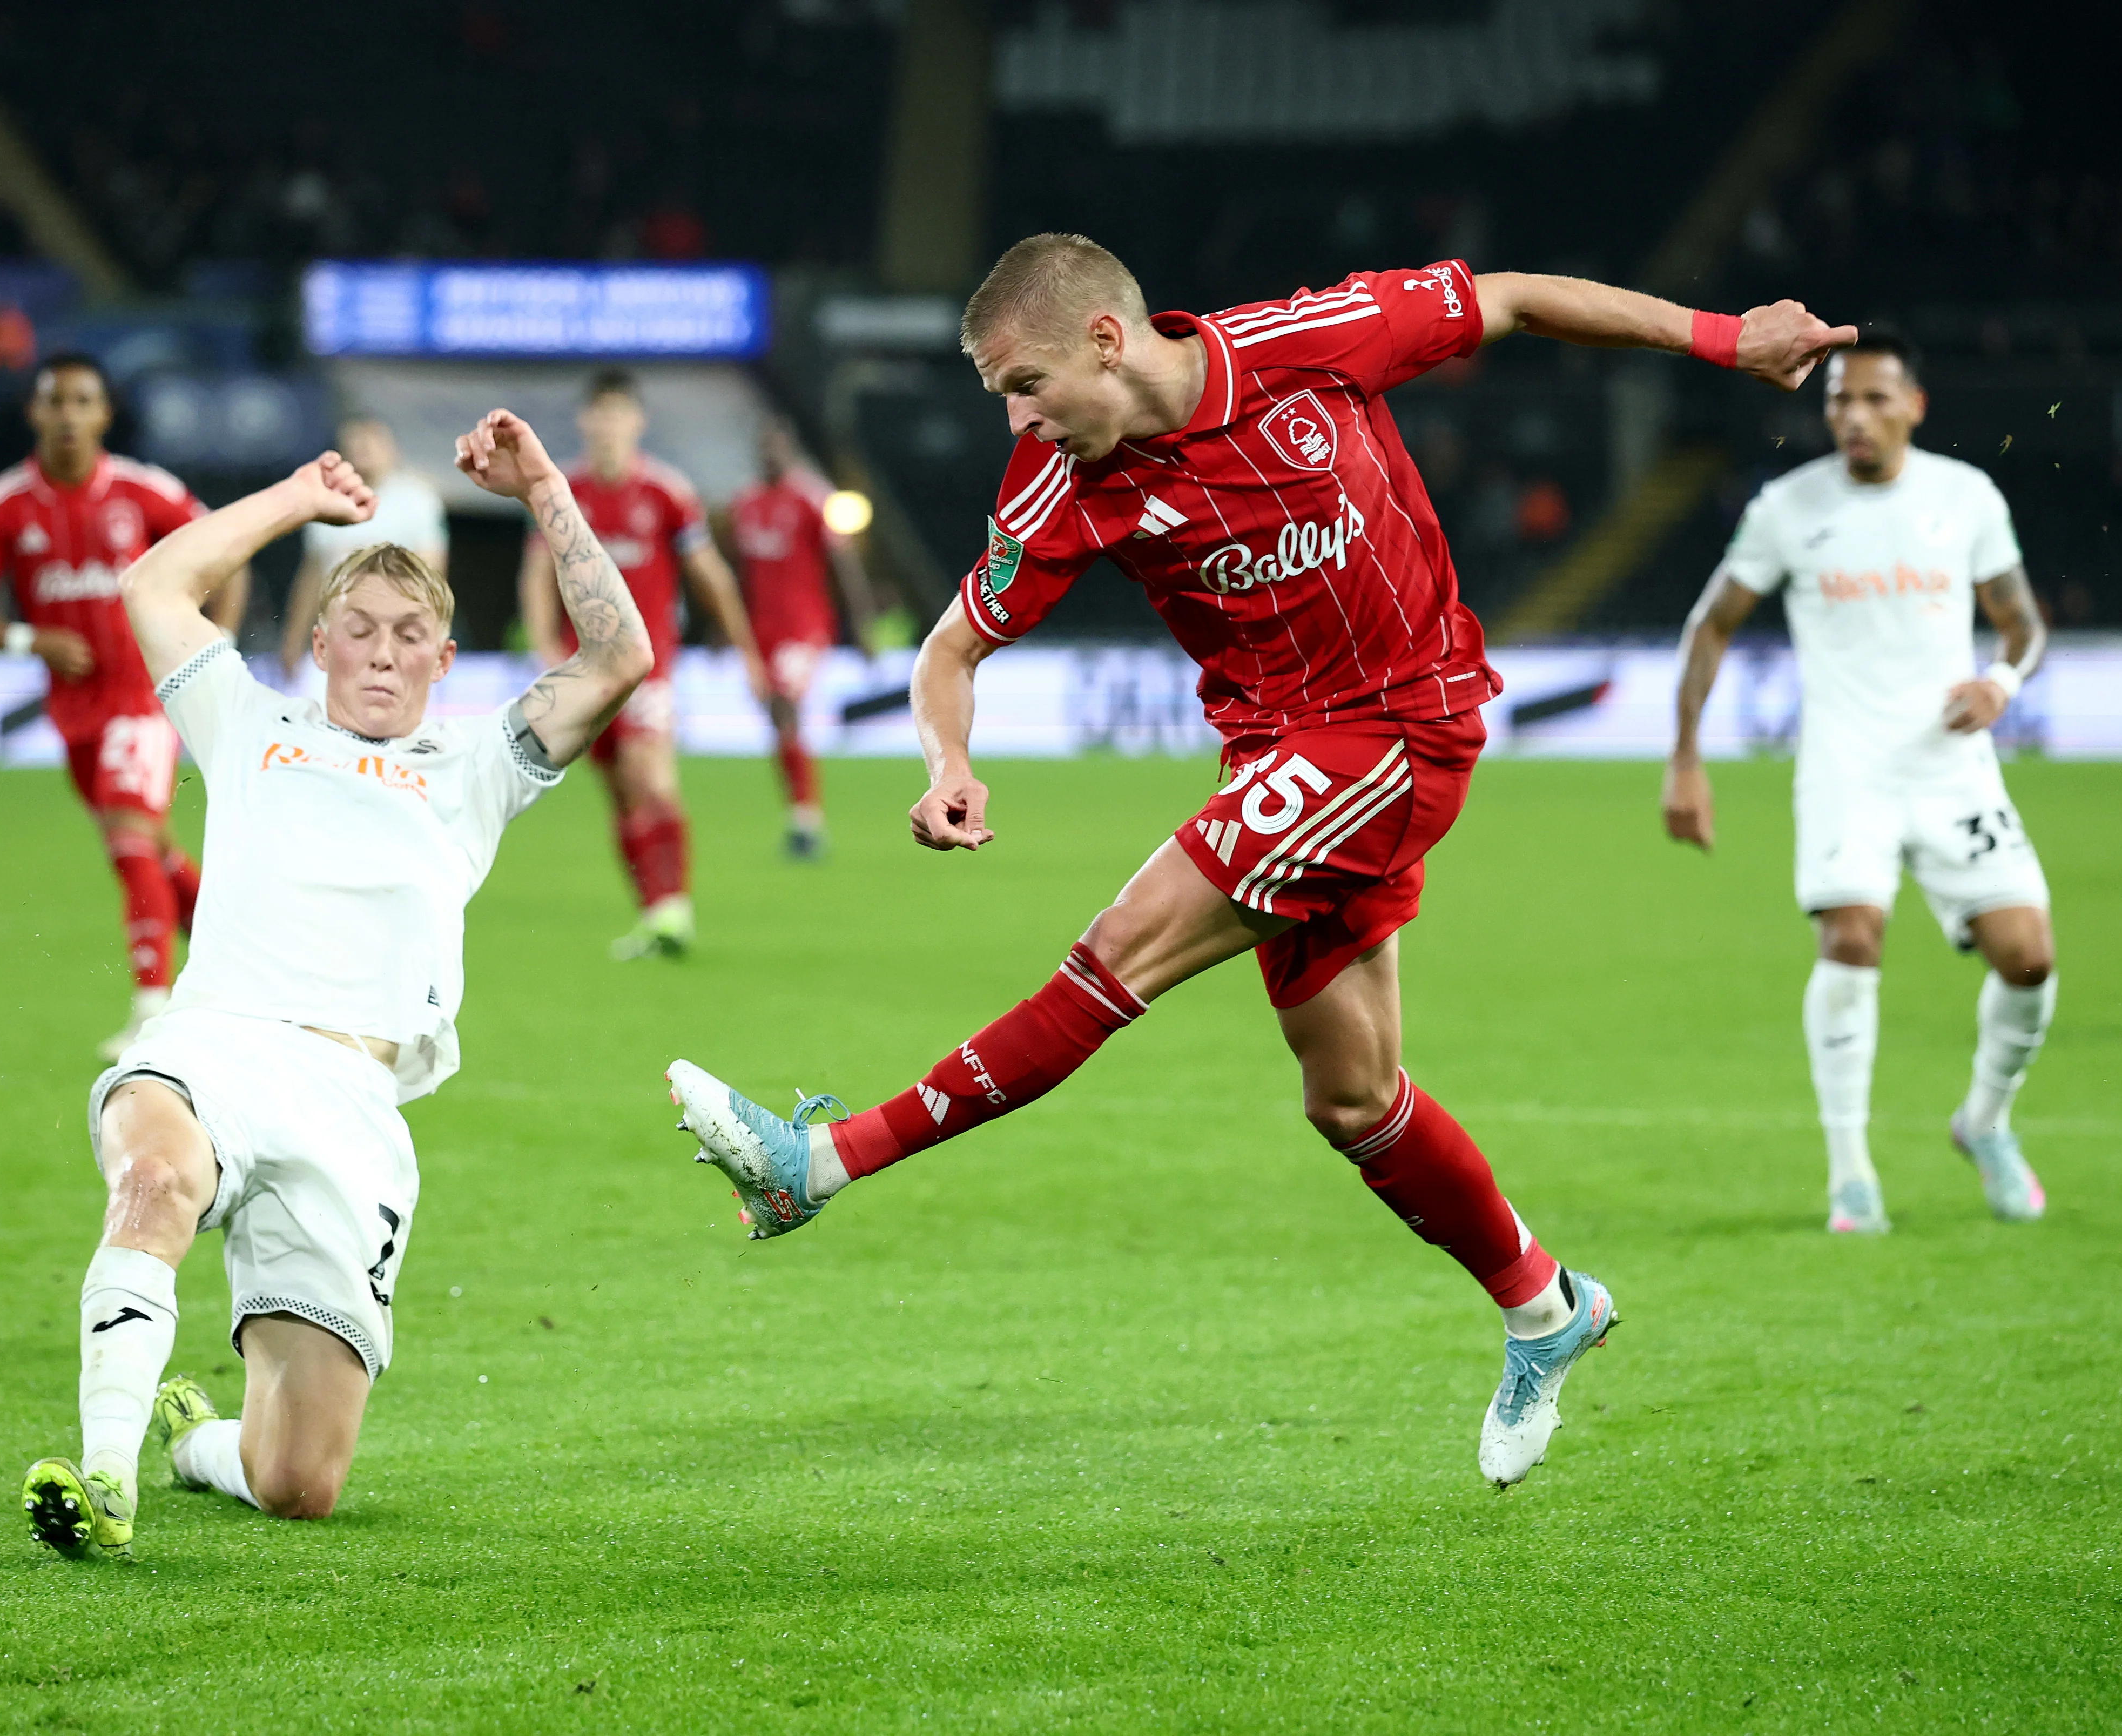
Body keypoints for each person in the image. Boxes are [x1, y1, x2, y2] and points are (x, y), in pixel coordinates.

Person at [667, 233, 1851, 1488]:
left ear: (1106, 343)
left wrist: (1724, 337)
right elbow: (948, 651)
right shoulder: (1061, 483)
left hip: (1402, 726)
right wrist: (946, 761)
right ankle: (1544, 1304)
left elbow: (1508, 297)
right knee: (1352, 1099)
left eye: (1024, 385)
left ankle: (821, 1162)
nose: (1015, 419)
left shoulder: (1307, 345)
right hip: (1277, 759)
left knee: (1119, 950)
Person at [21, 411, 650, 1557]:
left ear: (444, 661)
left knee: (298, 1480)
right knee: (154, 1178)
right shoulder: (245, 720)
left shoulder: (477, 765)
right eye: (356, 628)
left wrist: (543, 487)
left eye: (411, 634)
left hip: (353, 1105)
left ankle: (191, 1445)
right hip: (217, 1044)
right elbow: (154, 585)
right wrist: (298, 498)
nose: (381, 651)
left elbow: (619, 658)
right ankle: (104, 1474)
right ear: (318, 641)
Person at [1662, 331, 2053, 1234]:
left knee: (2029, 957)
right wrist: (1684, 757)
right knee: (1850, 938)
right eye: (1840, 400)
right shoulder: (1788, 507)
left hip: (1951, 765)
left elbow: (2023, 622)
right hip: (1847, 769)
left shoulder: (1965, 496)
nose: (1855, 416)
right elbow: (1712, 622)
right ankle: (1852, 1175)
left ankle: (1984, 1121)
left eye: (1876, 398)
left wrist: (2002, 682)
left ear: (1914, 406)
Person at [0, 353, 239, 1058]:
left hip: (145, 695)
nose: (69, 415)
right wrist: (30, 639)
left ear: (104, 414)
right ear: (34, 412)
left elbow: (227, 551)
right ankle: (248, 968)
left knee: (132, 836)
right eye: (56, 401)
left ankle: (153, 1010)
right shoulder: (2, 506)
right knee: (152, 849)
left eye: (83, 401)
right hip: (74, 711)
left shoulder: (145, 492)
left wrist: (215, 644)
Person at [517, 368, 770, 960]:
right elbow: (536, 572)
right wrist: (543, 644)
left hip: (647, 667)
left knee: (650, 779)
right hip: (585, 669)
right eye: (599, 414)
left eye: (618, 414)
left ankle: (674, 910)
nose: (608, 425)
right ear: (585, 421)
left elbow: (710, 576)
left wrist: (746, 650)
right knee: (621, 793)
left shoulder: (665, 493)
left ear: (637, 421)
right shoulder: (563, 495)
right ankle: (656, 913)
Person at [727, 419, 880, 857]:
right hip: (760, 629)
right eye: (764, 448)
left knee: (786, 706)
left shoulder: (812, 499)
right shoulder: (746, 504)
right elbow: (740, 571)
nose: (770, 456)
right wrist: (725, 625)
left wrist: (862, 623)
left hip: (804, 626)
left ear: (791, 451)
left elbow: (843, 564)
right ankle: (800, 812)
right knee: (778, 721)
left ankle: (806, 820)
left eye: (778, 448)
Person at [280, 414, 448, 683]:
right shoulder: (325, 502)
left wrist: (427, 634)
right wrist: (293, 639)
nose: (365, 448)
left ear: (392, 449)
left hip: (397, 632)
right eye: (356, 442)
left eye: (373, 440)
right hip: (339, 632)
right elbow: (312, 577)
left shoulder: (418, 500)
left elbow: (431, 574)